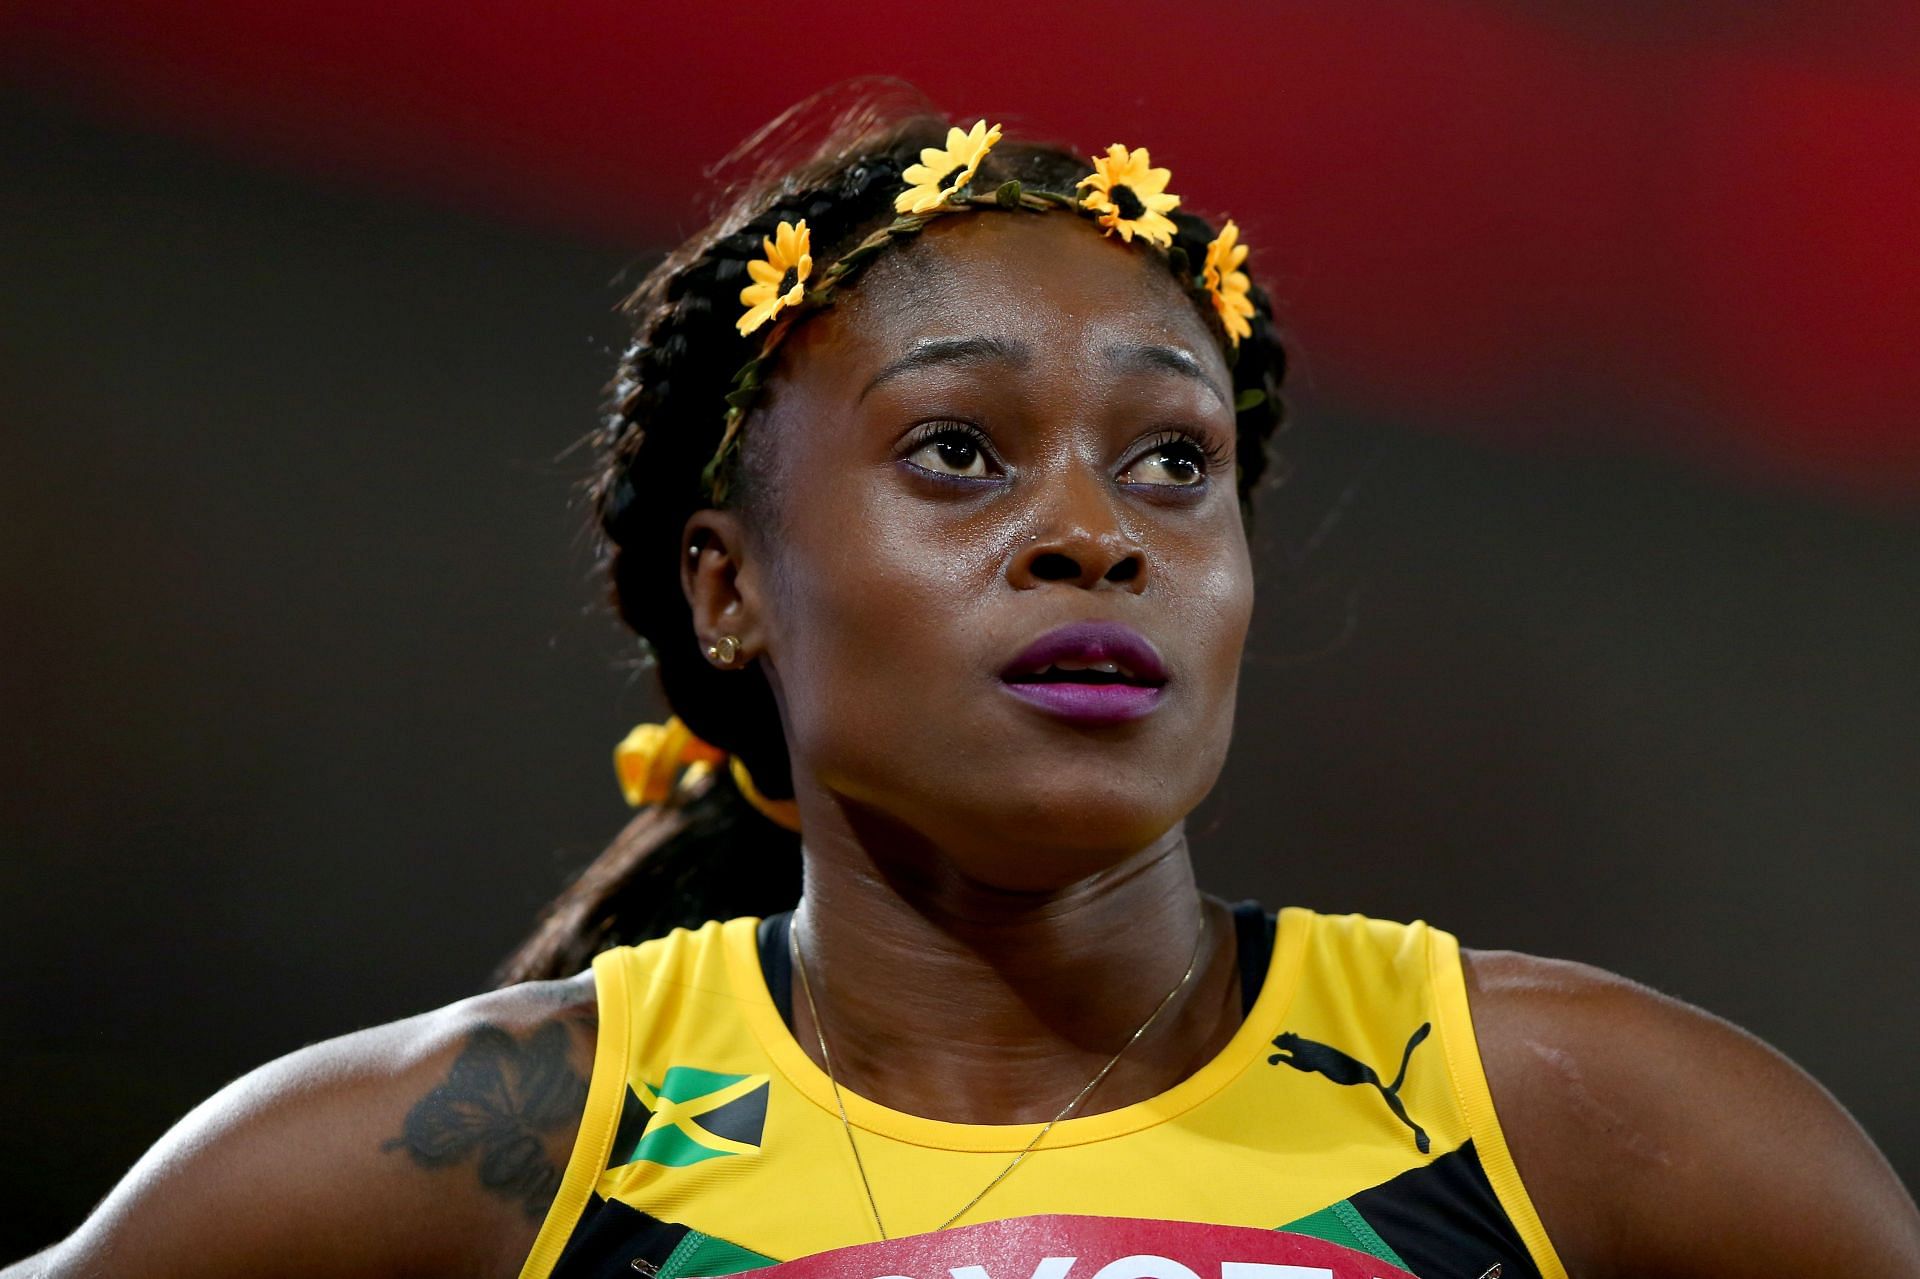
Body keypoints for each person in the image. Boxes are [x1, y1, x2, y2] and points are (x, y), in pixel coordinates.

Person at [7, 91, 1918, 1279]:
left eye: (1176, 464)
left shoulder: (1569, 1119)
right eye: (957, 455)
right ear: (729, 586)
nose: (1099, 534)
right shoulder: (494, 1150)